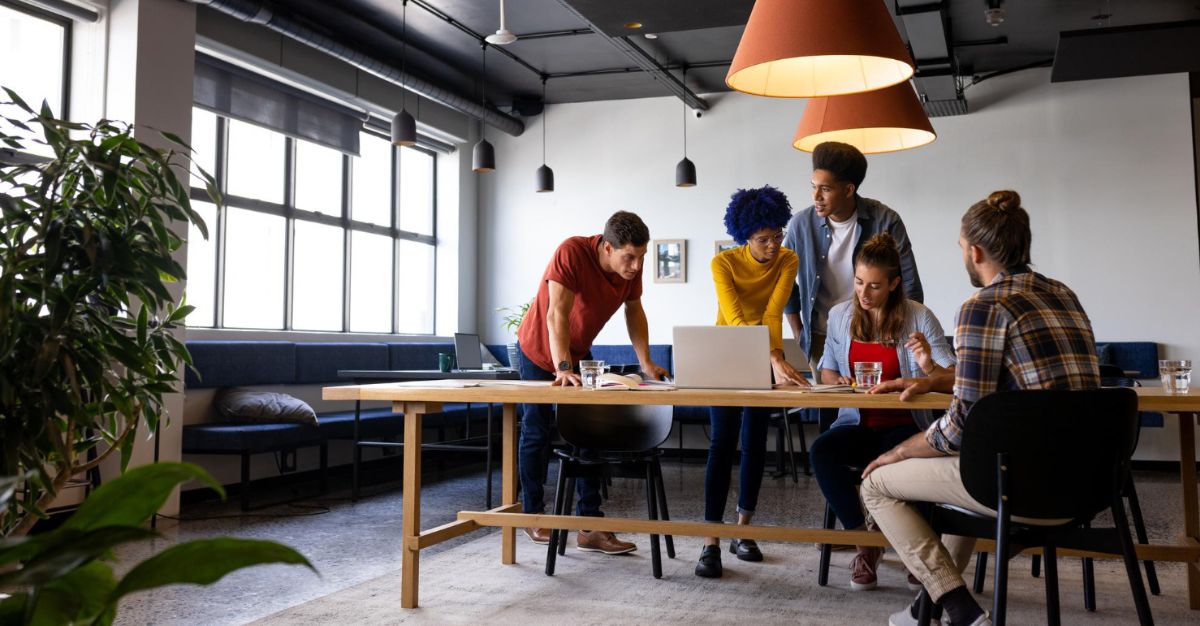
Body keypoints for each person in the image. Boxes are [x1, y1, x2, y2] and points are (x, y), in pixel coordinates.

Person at [859, 190, 1100, 626]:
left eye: (960, 249)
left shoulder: (982, 307)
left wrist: (896, 452)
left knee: (875, 483)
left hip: (1026, 487)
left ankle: (962, 611)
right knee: (971, 466)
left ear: (974, 251)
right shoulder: (1064, 294)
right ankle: (925, 607)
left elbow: (959, 427)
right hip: (1090, 482)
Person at [515, 210, 671, 556]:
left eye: (641, 257)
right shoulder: (572, 252)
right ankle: (534, 514)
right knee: (537, 429)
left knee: (588, 433)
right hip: (539, 350)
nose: (635, 266)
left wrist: (646, 363)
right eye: (628, 257)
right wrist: (563, 367)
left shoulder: (631, 268)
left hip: (576, 353)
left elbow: (635, 311)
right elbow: (556, 313)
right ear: (606, 248)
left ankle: (589, 526)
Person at [808, 233, 956, 591]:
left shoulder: (919, 317)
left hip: (907, 425)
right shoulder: (841, 316)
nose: (864, 293)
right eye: (859, 282)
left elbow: (954, 378)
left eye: (875, 286)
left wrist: (922, 370)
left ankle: (917, 552)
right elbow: (826, 371)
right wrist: (838, 379)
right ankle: (866, 546)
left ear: (893, 284)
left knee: (916, 460)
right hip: (857, 423)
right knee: (821, 451)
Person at [695, 186, 809, 579]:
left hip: (766, 354)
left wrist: (775, 357)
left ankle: (744, 531)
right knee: (721, 443)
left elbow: (774, 313)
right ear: (745, 236)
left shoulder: (788, 260)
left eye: (778, 236)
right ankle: (710, 540)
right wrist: (773, 356)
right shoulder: (723, 263)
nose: (774, 245)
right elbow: (737, 317)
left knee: (756, 443)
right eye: (764, 239)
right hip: (725, 355)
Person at [782, 141, 923, 384]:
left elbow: (908, 282)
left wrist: (907, 333)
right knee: (833, 410)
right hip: (822, 335)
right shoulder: (800, 225)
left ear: (849, 190)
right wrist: (798, 331)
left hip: (880, 334)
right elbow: (783, 282)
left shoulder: (885, 220)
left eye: (825, 189)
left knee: (880, 409)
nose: (816, 196)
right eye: (813, 187)